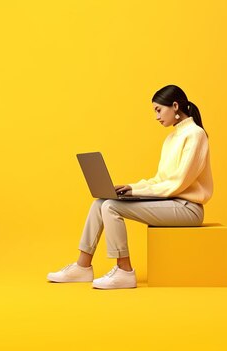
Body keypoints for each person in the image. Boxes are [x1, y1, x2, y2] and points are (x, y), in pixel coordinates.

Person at [47, 84, 213, 289]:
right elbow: (161, 179)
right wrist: (131, 187)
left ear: (175, 106)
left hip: (187, 209)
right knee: (101, 202)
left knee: (111, 206)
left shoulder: (196, 134)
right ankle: (82, 266)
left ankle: (124, 271)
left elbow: (177, 182)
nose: (156, 116)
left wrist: (136, 192)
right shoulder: (171, 138)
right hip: (170, 201)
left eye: (158, 110)